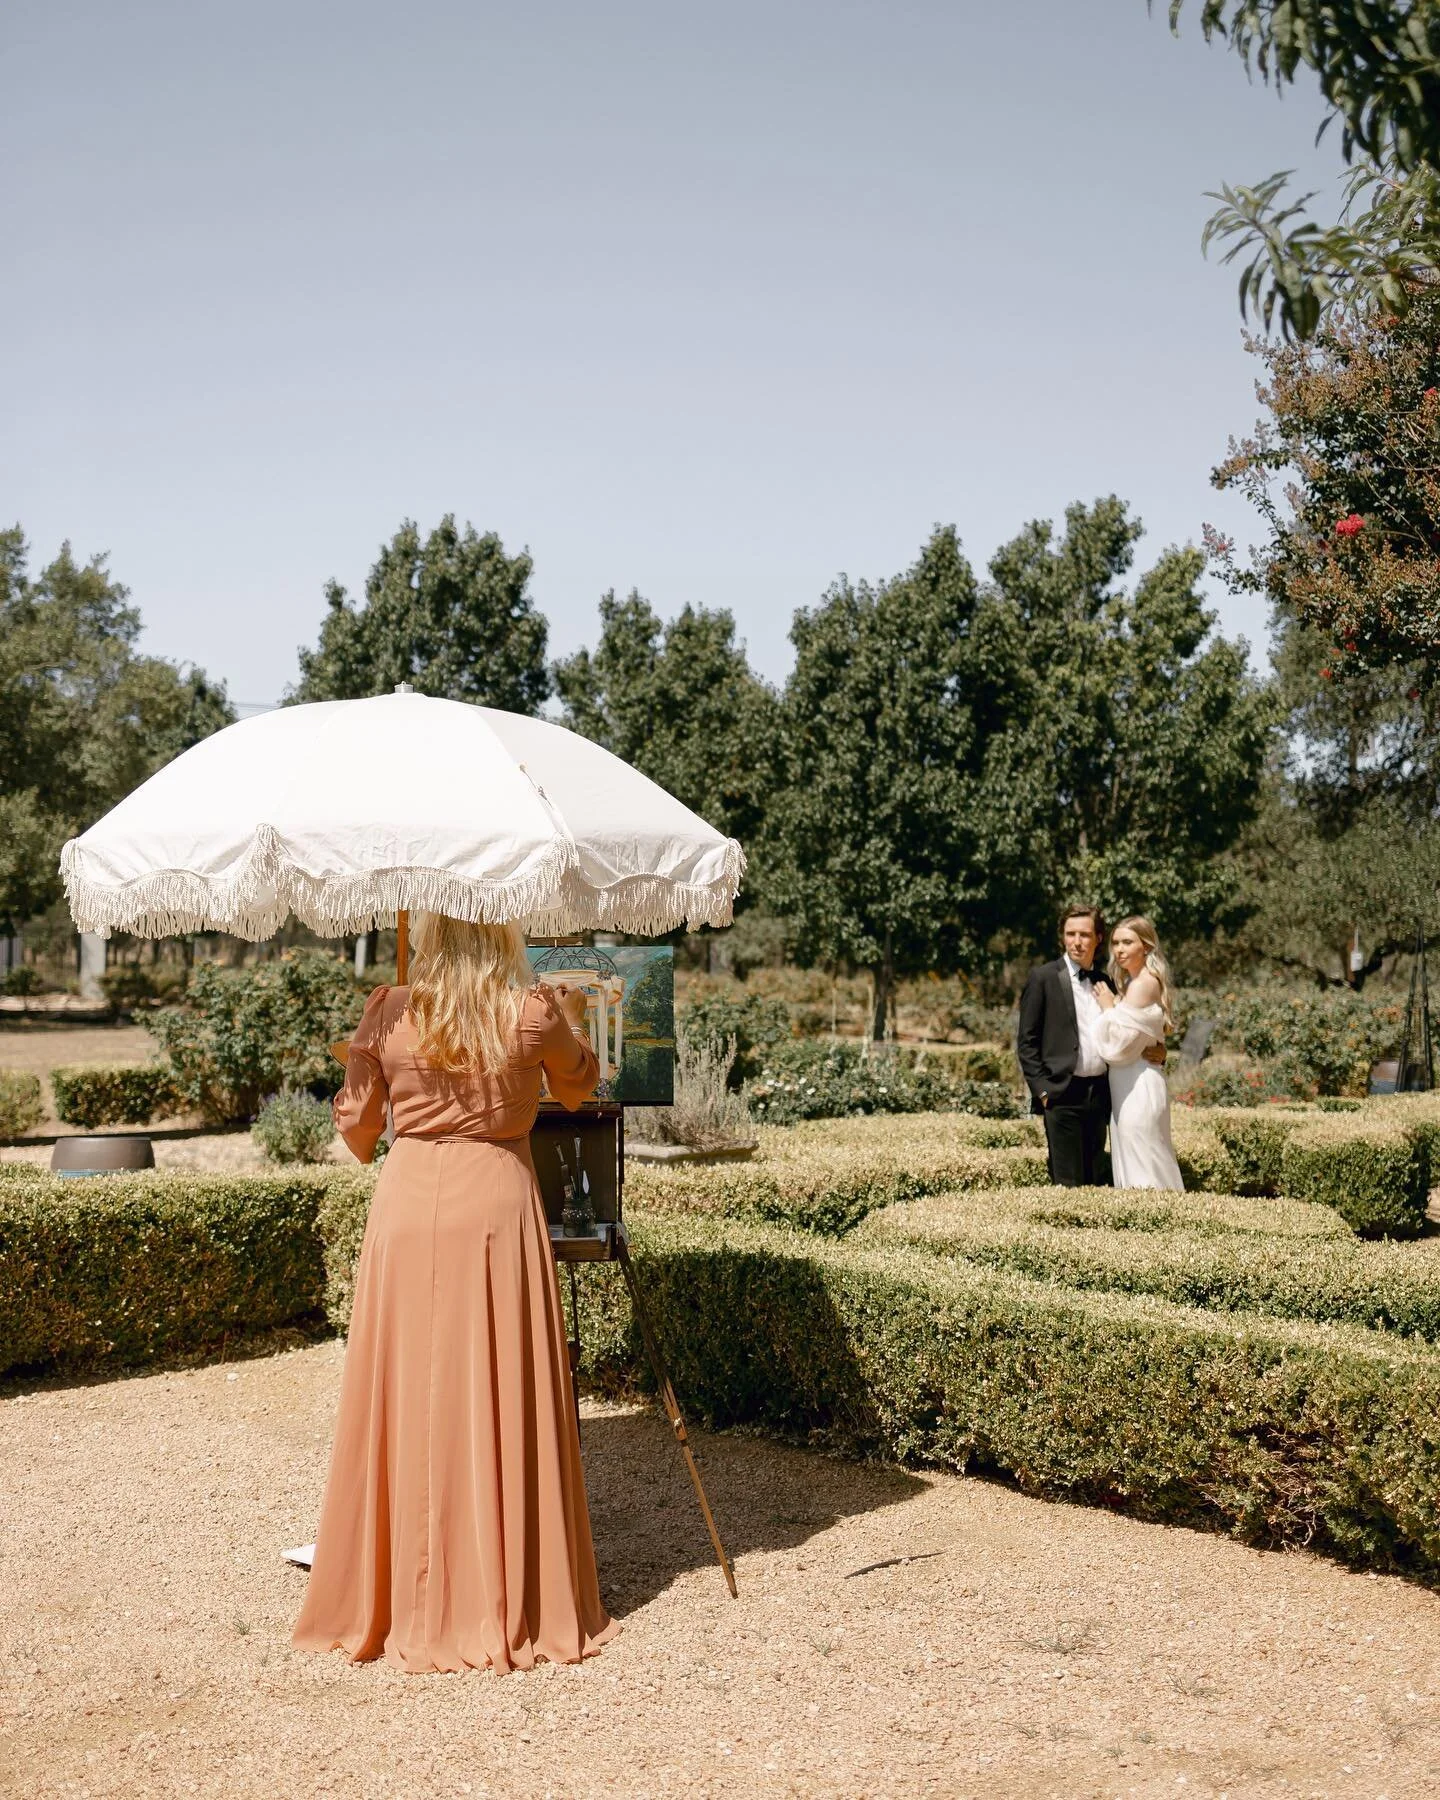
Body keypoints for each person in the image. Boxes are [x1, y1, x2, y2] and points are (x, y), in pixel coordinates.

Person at [292, 913, 619, 1674]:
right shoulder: (533, 1008)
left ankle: (396, 1586)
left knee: (407, 1390)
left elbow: (359, 1133)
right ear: (503, 936)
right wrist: (561, 1019)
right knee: (496, 1384)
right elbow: (580, 1087)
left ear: (433, 937)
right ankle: (499, 1583)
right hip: (496, 1206)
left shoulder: (390, 1009)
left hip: (409, 1206)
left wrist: (370, 1079)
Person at [1016, 903, 1165, 1187]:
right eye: (1070, 934)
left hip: (1101, 1094)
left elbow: (1134, 1029)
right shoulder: (1043, 978)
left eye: (1084, 934)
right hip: (1061, 1094)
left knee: (1096, 1181)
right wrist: (1044, 1092)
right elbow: (1027, 1042)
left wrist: (1160, 1052)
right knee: (1068, 1183)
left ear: (1098, 938)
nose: (1077, 941)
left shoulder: (1106, 982)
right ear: (1062, 937)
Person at [1092, 915, 1185, 1191]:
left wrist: (1108, 1008)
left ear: (1145, 946)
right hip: (1127, 1087)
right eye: (1116, 943)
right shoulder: (1131, 983)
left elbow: (1118, 1047)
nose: (1119, 949)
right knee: (1139, 1159)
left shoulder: (1143, 984)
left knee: (1144, 1167)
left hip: (1138, 1087)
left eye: (1128, 942)